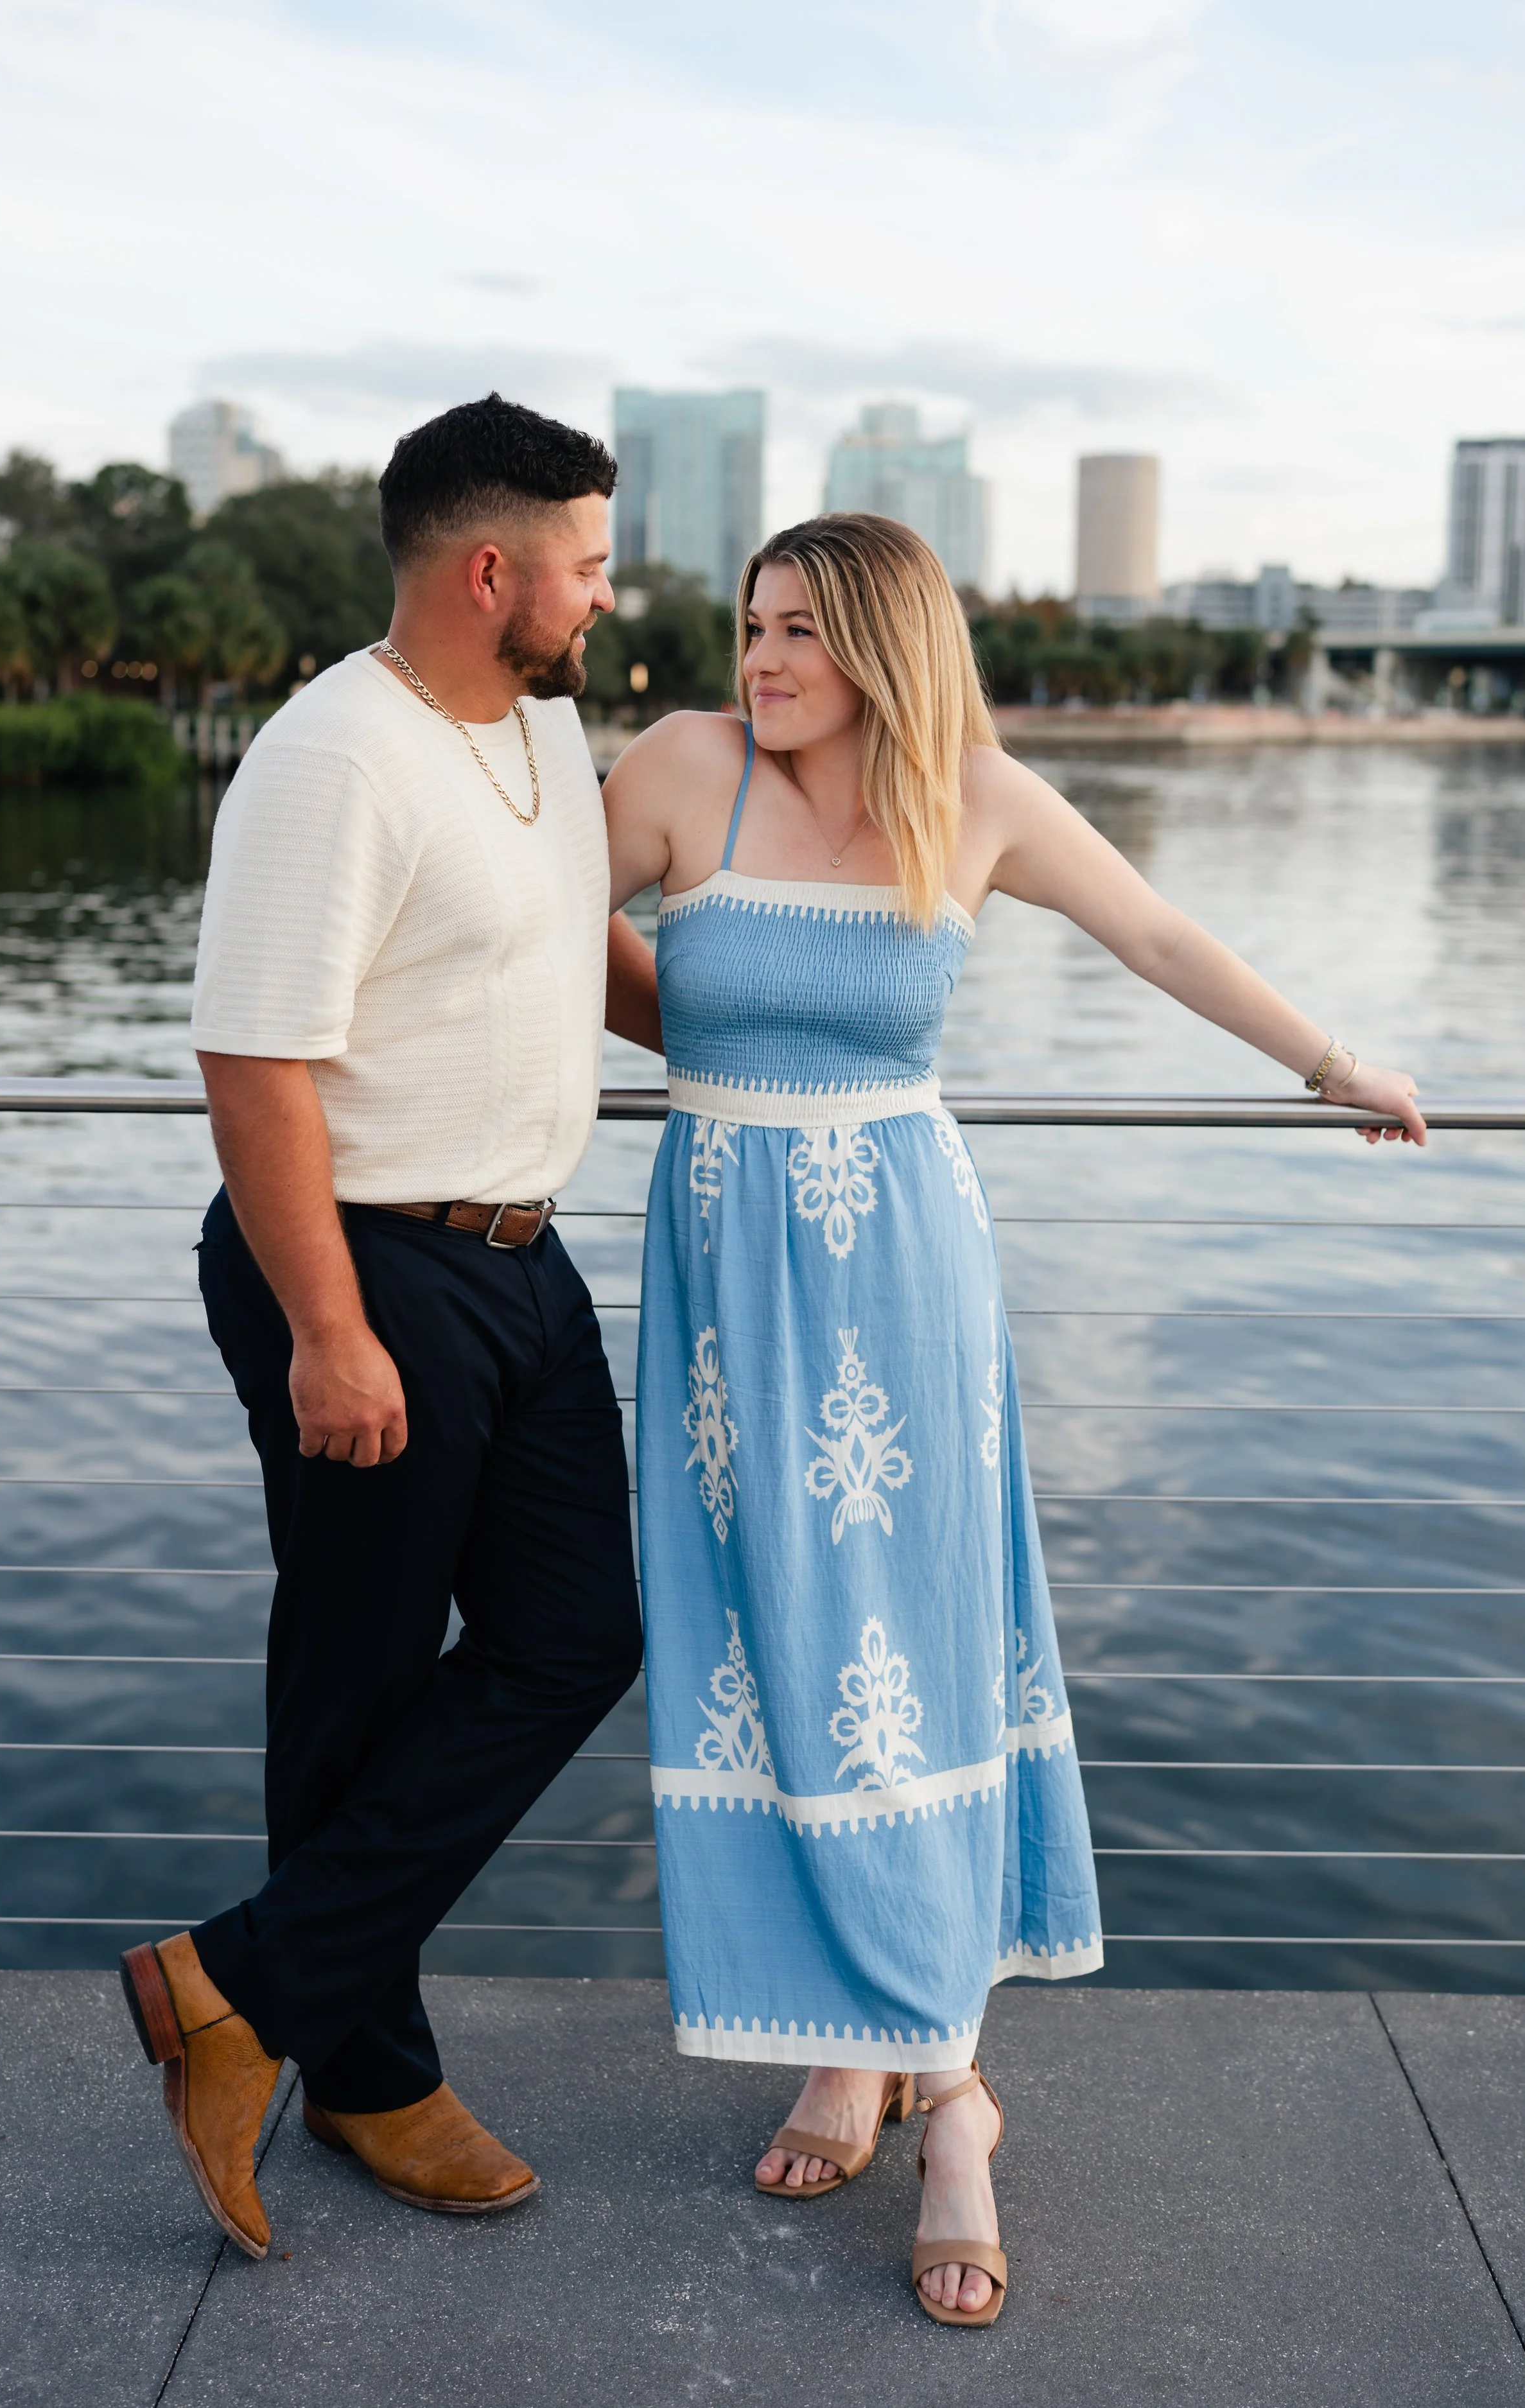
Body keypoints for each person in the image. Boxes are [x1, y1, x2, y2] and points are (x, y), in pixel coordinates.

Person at [604, 512, 1424, 2329]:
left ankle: (943, 2082)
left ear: (886, 643)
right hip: (728, 1269)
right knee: (766, 1645)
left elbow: (1154, 928)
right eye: (750, 625)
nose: (762, 660)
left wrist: (1327, 1062)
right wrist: (704, 1040)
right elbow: (528, 927)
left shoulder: (967, 796)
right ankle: (857, 2043)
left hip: (902, 1272)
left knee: (908, 1652)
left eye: (802, 632)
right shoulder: (674, 770)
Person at [117, 393, 661, 2260]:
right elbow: (252, 1056)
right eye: (588, 561)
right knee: (353, 1679)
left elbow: (578, 939)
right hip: (363, 1264)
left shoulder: (536, 720)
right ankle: (362, 2074)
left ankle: (238, 1986)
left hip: (523, 1259)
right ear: (490, 566)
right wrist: (326, 1328)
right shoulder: (331, 755)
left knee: (581, 1624)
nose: (608, 592)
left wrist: (787, 1043)